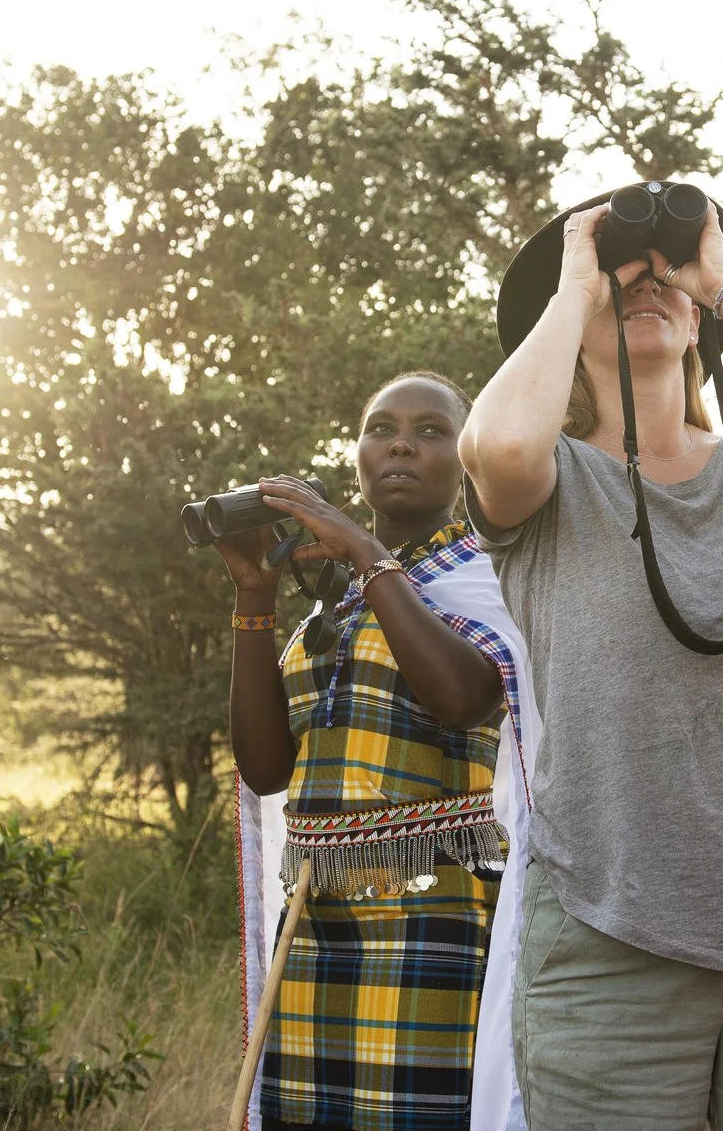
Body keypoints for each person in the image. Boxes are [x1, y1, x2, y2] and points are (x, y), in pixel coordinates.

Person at [459, 188, 723, 1129]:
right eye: (621, 274)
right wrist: (576, 279)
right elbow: (497, 441)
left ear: (702, 326)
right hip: (611, 944)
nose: (645, 282)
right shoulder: (551, 486)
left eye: (666, 276)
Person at [218, 371, 528, 1131]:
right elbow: (264, 770)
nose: (400, 443)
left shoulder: (486, 579)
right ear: (357, 453)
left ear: (470, 460)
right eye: (381, 427)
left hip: (434, 917)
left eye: (431, 430)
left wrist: (359, 549)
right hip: (316, 923)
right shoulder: (336, 605)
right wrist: (255, 597)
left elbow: (463, 698)